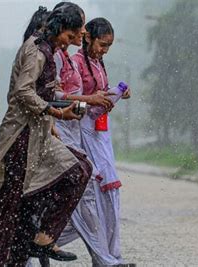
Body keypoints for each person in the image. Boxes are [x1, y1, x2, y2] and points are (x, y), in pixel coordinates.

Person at [0, 4, 93, 266]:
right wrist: (53, 111)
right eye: (70, 35)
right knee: (13, 197)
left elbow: (43, 91)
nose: (72, 42)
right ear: (59, 28)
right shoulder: (37, 49)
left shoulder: (48, 49)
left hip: (40, 133)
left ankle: (42, 239)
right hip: (21, 134)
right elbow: (23, 92)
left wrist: (58, 111)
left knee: (78, 170)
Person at [57, 17, 133, 266]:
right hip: (80, 131)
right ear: (87, 36)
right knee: (92, 197)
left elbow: (98, 94)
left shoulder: (98, 63)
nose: (104, 50)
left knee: (109, 197)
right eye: (102, 44)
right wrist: (93, 100)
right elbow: (71, 101)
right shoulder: (75, 63)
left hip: (101, 133)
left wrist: (115, 93)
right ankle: (41, 238)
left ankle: (111, 255)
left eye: (108, 46)